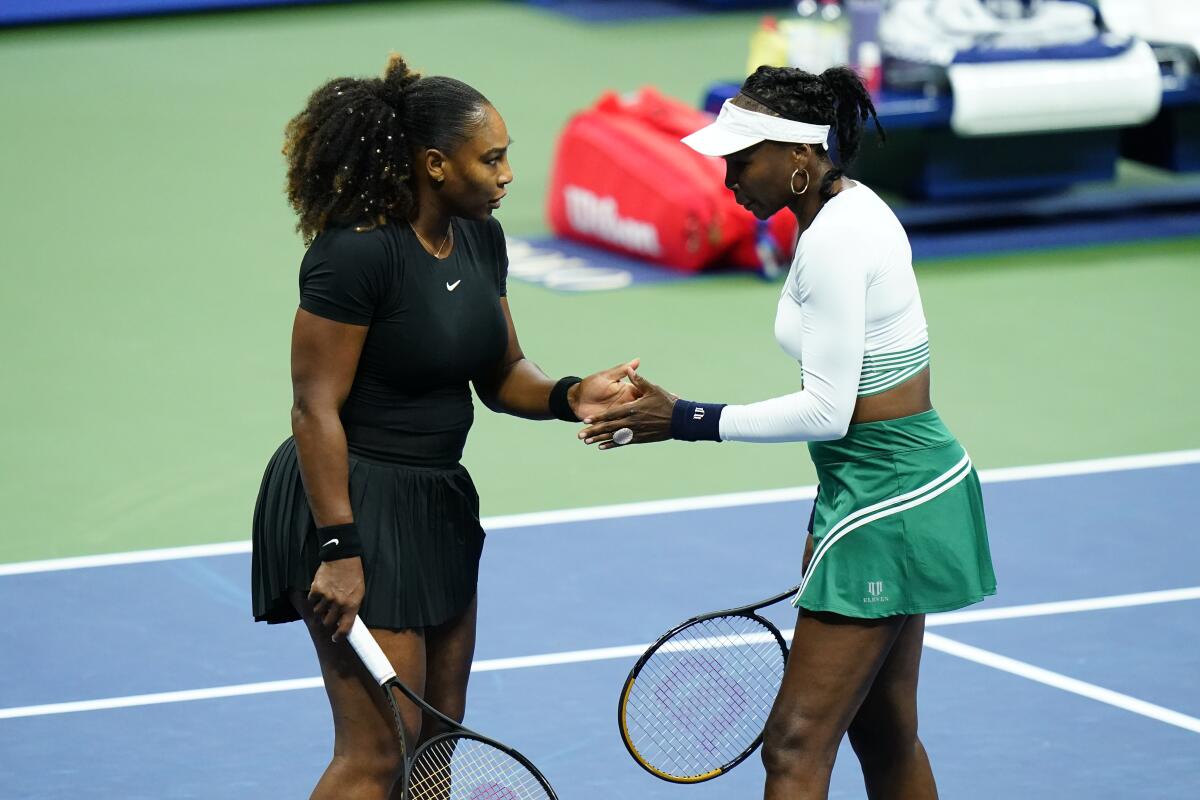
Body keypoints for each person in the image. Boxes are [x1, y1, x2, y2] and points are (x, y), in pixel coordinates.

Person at [578, 66, 996, 800]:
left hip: (888, 497)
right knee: (883, 731)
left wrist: (682, 419)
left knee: (794, 745)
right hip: (876, 487)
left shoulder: (838, 240)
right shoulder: (840, 215)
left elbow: (827, 412)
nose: (728, 178)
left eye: (742, 161)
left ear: (800, 158)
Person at [251, 54, 638, 799]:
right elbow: (313, 408)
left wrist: (571, 395)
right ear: (434, 164)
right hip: (350, 501)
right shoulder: (356, 254)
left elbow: (503, 373)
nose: (506, 176)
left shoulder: (479, 240)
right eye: (490, 158)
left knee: (439, 740)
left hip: (437, 503)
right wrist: (340, 549)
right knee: (380, 748)